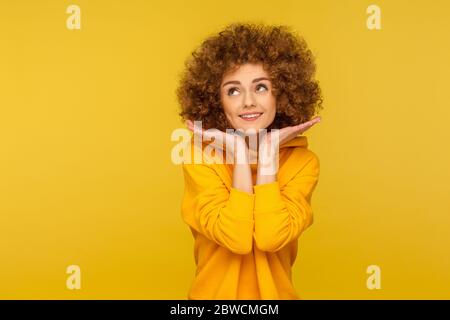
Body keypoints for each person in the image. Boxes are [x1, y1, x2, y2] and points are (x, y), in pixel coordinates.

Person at [176, 22, 323, 300]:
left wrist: (266, 155)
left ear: (282, 93)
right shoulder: (200, 157)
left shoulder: (303, 163)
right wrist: (239, 154)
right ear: (216, 101)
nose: (247, 102)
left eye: (261, 88)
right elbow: (237, 239)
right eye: (233, 90)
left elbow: (270, 238)